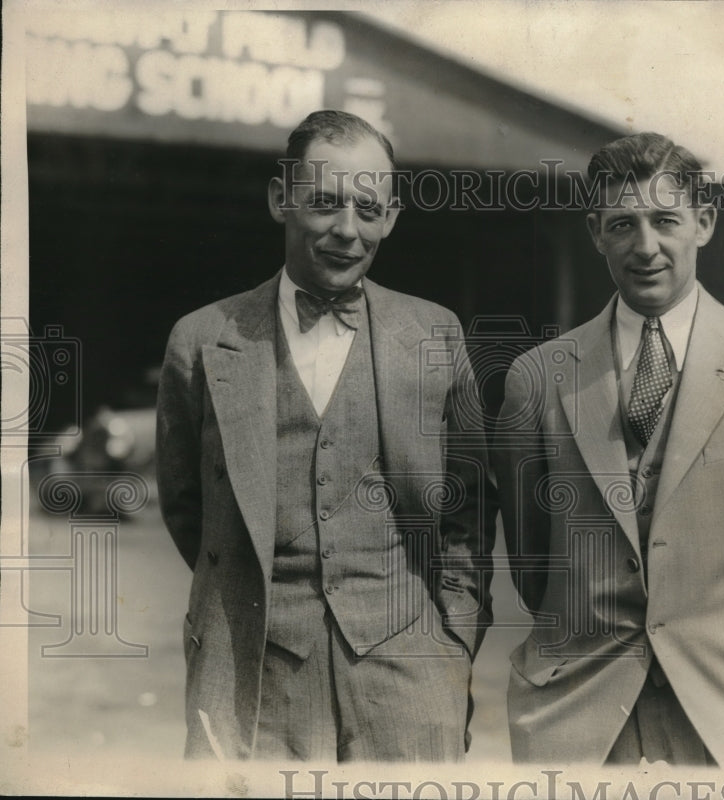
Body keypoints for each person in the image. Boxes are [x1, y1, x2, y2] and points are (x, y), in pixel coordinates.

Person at [156, 110, 496, 761]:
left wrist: (450, 645)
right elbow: (187, 511)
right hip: (254, 672)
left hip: (408, 673)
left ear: (392, 216)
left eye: (369, 209)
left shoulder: (435, 336)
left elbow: (469, 516)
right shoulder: (201, 340)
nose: (348, 230)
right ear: (280, 199)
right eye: (325, 203)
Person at [493, 132, 724, 766]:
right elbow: (530, 556)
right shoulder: (538, 375)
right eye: (623, 223)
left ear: (703, 223)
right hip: (581, 710)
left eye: (665, 221)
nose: (645, 246)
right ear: (596, 231)